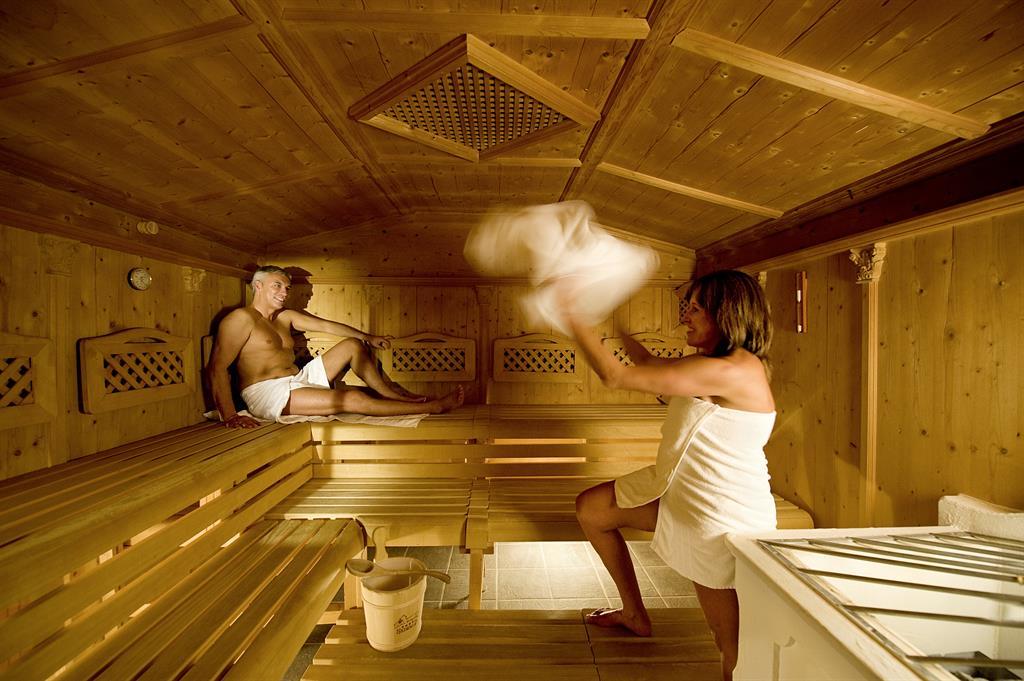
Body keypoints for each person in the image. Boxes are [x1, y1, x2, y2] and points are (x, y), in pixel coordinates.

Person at [561, 270, 775, 681]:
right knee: (594, 509)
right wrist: (617, 326)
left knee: (729, 644)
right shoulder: (714, 365)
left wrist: (571, 313)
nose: (684, 317)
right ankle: (634, 614)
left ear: (726, 313)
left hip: (720, 516)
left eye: (695, 308)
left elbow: (615, 376)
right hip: (682, 493)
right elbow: (649, 364)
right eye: (686, 307)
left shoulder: (733, 370)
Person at [208, 265, 464, 428]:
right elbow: (217, 368)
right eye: (278, 286)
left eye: (287, 287)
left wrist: (368, 337)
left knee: (352, 345)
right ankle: (433, 407)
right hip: (267, 393)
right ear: (258, 286)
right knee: (351, 398)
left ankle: (390, 395)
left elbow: (326, 326)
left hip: (297, 379)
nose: (284, 292)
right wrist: (230, 415)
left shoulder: (285, 317)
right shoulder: (241, 319)